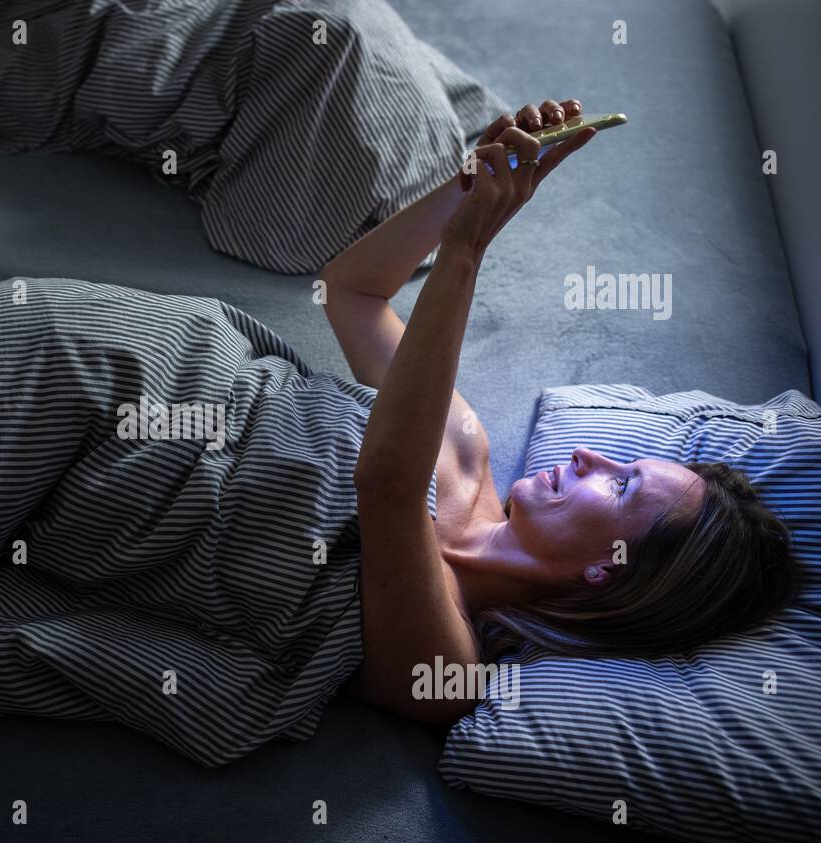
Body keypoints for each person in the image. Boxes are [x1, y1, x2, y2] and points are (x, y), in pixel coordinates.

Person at [320, 99, 797, 722]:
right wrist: (473, 186)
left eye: (620, 484)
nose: (587, 454)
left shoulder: (448, 669)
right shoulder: (465, 451)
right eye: (620, 461)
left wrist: (467, 251)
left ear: (608, 570)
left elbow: (388, 485)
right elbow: (348, 293)